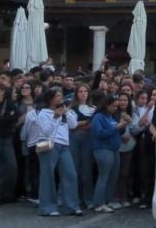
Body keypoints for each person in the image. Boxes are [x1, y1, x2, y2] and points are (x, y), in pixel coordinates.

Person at [35, 88, 82, 217]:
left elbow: (73, 125)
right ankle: (47, 207)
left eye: (61, 96)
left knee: (70, 174)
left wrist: (66, 113)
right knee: (48, 176)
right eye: (57, 96)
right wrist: (55, 117)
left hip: (64, 146)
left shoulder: (64, 112)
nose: (61, 98)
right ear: (50, 99)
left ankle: (71, 206)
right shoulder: (43, 113)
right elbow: (46, 132)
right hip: (50, 145)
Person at [90, 92, 128, 213]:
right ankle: (98, 203)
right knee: (103, 176)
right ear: (107, 105)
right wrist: (115, 128)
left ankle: (107, 201)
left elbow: (119, 133)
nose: (115, 108)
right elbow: (99, 133)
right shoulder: (98, 117)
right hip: (103, 149)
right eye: (114, 106)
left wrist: (123, 126)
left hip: (114, 149)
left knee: (113, 177)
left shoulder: (111, 117)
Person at [69, 83, 96, 209]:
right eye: (80, 91)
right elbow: (72, 125)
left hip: (88, 139)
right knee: (75, 169)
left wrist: (81, 124)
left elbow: (94, 124)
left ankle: (88, 198)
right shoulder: (71, 108)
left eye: (85, 91)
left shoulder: (93, 108)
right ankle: (76, 198)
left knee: (87, 170)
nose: (83, 93)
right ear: (76, 94)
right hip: (75, 138)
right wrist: (85, 123)